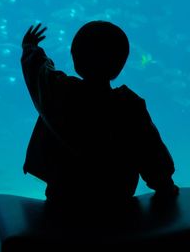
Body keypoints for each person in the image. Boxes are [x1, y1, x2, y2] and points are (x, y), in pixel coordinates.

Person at [20, 21, 179, 207]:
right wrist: (165, 184)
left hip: (64, 199)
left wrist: (31, 48)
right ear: (120, 65)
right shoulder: (129, 106)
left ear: (75, 59)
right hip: (116, 200)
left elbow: (37, 71)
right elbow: (151, 151)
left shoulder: (60, 92)